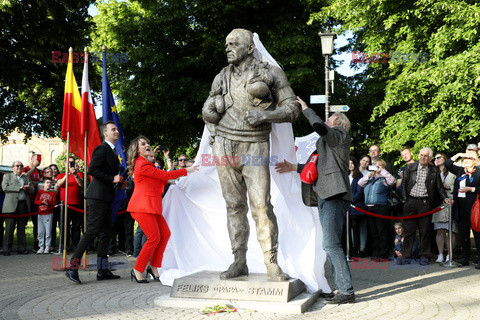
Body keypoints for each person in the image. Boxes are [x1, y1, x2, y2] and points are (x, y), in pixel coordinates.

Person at [202, 28, 300, 281]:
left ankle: (271, 263)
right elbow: (209, 109)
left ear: (249, 48)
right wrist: (211, 120)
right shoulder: (221, 76)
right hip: (223, 145)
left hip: (254, 145)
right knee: (234, 206)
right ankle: (239, 260)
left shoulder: (270, 73)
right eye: (226, 43)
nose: (228, 47)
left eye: (234, 43)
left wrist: (266, 115)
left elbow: (293, 109)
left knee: (262, 207)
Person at [276, 97, 355, 304]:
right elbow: (316, 169)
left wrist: (306, 109)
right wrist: (293, 167)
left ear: (338, 124)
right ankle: (343, 289)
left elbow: (320, 127)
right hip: (325, 196)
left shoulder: (340, 136)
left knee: (330, 244)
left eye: (330, 118)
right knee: (330, 244)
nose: (327, 120)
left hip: (334, 196)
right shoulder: (328, 145)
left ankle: (346, 291)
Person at [127, 136, 198, 283]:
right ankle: (137, 269)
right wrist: (187, 170)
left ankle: (153, 268)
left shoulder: (147, 164)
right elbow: (164, 175)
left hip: (151, 206)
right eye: (143, 144)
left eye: (148, 143)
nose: (147, 145)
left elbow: (163, 179)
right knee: (153, 238)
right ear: (137, 149)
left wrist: (180, 180)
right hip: (142, 207)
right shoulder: (142, 164)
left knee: (164, 234)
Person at [66, 121, 123, 284]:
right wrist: (112, 178)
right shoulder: (102, 148)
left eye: (117, 129)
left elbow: (106, 173)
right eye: (113, 129)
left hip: (105, 197)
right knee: (91, 232)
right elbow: (92, 169)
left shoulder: (112, 151)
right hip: (97, 197)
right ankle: (72, 268)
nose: (116, 131)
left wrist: (117, 182)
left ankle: (102, 270)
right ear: (105, 133)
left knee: (106, 234)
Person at [401, 147, 453, 265]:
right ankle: (405, 256)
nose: (423, 158)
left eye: (426, 156)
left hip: (425, 203)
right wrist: (405, 200)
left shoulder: (434, 171)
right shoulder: (410, 167)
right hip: (410, 202)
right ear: (418, 156)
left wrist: (446, 198)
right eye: (421, 155)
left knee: (425, 231)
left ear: (430, 158)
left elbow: (439, 187)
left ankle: (424, 256)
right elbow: (403, 184)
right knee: (409, 231)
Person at [445, 151, 480, 268]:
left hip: (474, 206)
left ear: (474, 161)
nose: (466, 161)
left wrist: (471, 189)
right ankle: (465, 258)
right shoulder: (460, 171)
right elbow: (447, 164)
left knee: (476, 233)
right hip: (460, 206)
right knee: (463, 232)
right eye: (464, 159)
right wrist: (459, 154)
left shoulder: (478, 172)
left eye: (468, 159)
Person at [358, 159, 395, 260]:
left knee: (382, 231)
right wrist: (369, 175)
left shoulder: (384, 178)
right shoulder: (370, 179)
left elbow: (392, 181)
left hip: (381, 207)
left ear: (384, 167)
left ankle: (384, 255)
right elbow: (360, 183)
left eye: (379, 165)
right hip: (369, 208)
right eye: (375, 165)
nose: (376, 167)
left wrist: (381, 171)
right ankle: (378, 253)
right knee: (374, 233)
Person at [2, 161, 35, 255]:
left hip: (22, 205)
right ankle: (6, 249)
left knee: (21, 228)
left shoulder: (26, 177)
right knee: (9, 229)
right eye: (17, 166)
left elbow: (32, 189)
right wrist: (19, 188)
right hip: (10, 205)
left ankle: (22, 248)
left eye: (21, 166)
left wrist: (28, 188)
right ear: (13, 168)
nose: (19, 167)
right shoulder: (7, 176)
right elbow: (4, 187)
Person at [433, 152, 457, 263]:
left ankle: (449, 254)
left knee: (451, 230)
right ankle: (440, 254)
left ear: (445, 159)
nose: (436, 159)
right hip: (438, 204)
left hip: (451, 203)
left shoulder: (453, 171)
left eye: (439, 157)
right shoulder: (433, 172)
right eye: (435, 158)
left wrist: (449, 187)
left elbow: (459, 184)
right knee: (439, 230)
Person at [56, 157, 84, 251]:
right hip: (64, 204)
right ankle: (65, 245)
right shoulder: (61, 175)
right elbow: (59, 184)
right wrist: (67, 174)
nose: (70, 164)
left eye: (72, 162)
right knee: (64, 226)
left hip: (76, 204)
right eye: (69, 162)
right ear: (65, 164)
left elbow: (81, 184)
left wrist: (75, 174)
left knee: (76, 226)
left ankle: (76, 245)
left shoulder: (79, 174)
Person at [348, 156, 367, 258]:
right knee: (347, 230)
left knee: (356, 230)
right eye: (348, 163)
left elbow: (359, 193)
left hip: (356, 207)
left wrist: (348, 200)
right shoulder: (345, 176)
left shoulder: (359, 176)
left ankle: (356, 252)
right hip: (346, 208)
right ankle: (349, 251)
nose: (350, 165)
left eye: (352, 163)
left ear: (355, 164)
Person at [34, 177, 56, 254]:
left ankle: (47, 247)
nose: (49, 184)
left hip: (48, 214)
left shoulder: (52, 193)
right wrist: (42, 202)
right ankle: (41, 247)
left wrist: (48, 203)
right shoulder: (40, 192)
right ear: (43, 184)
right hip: (40, 214)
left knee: (48, 232)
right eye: (47, 182)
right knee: (40, 231)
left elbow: (54, 203)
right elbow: (36, 201)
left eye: (50, 183)